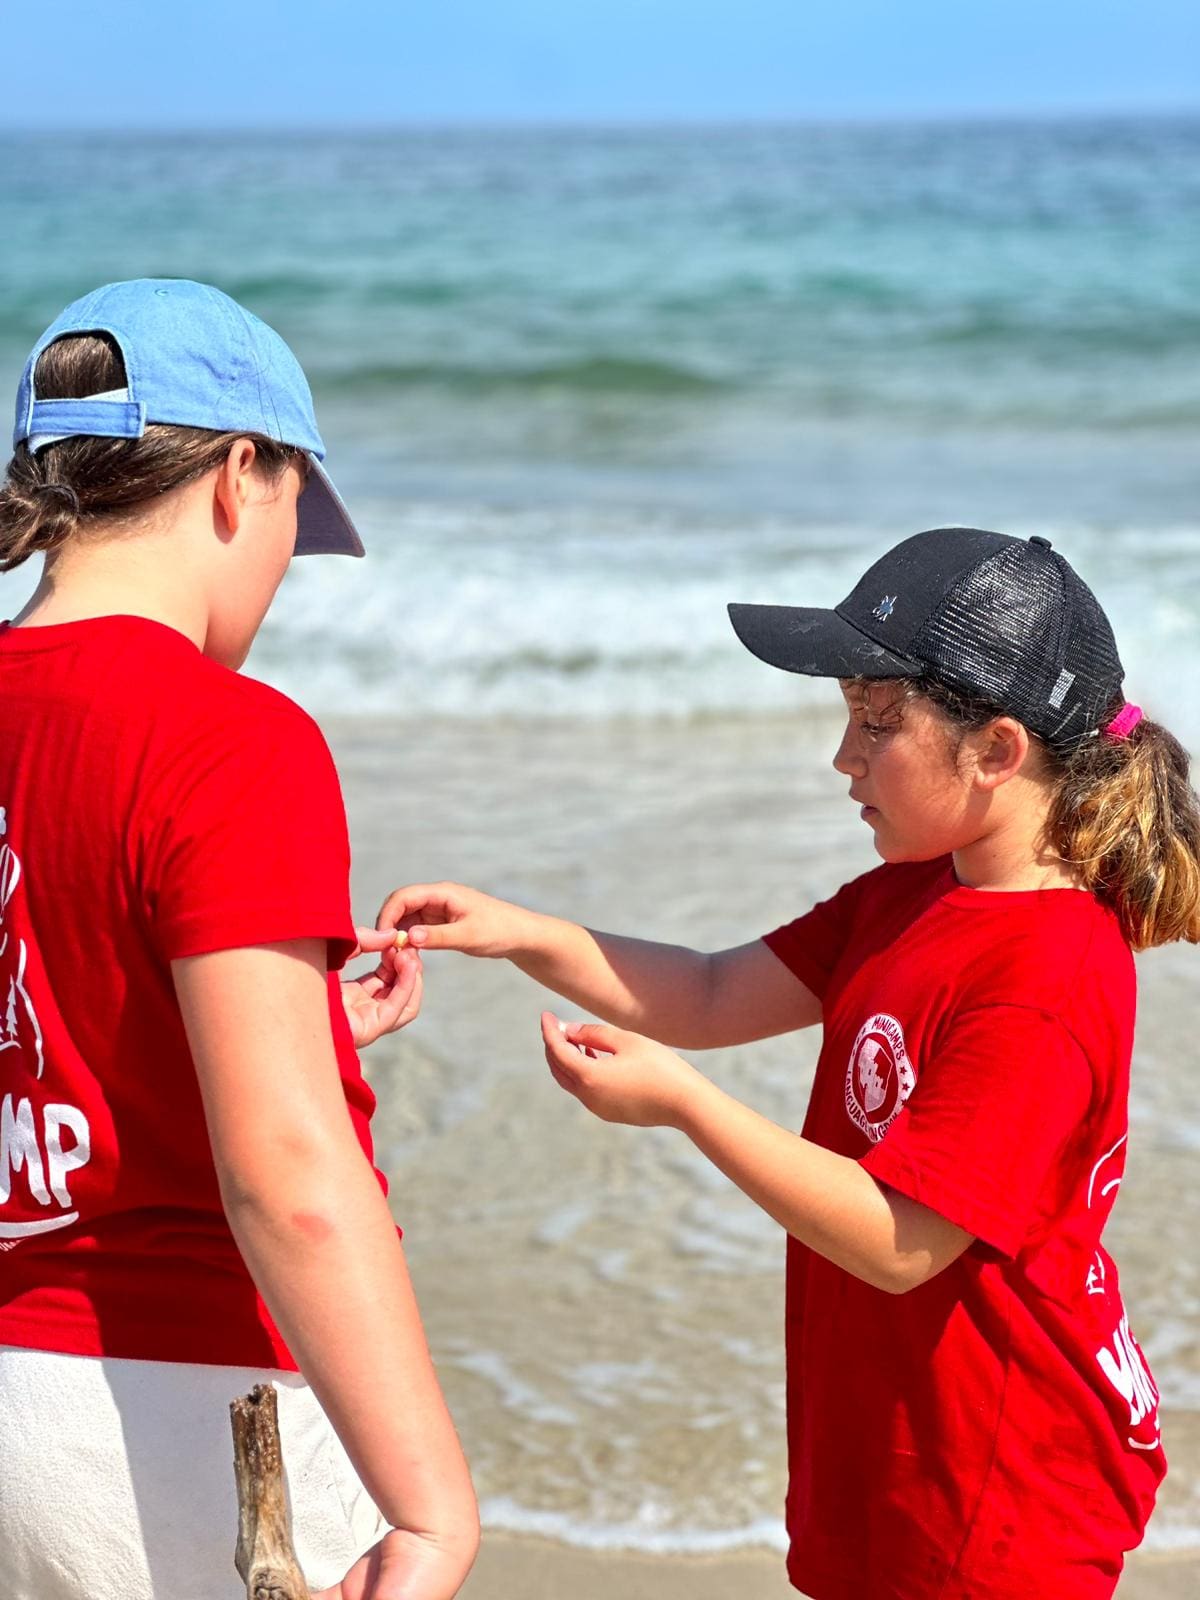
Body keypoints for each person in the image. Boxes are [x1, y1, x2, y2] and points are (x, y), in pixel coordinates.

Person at [378, 526, 1200, 1600]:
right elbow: (713, 991)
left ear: (998, 749)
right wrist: (525, 933)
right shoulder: (915, 889)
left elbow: (903, 1238)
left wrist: (684, 1106)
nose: (844, 759)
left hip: (997, 1489)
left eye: (875, 725)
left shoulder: (1049, 976)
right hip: (888, 1440)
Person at [0, 280, 478, 1600]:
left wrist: (308, 1022)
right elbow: (283, 1169)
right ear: (241, 477)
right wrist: (430, 1508)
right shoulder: (230, 739)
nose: (280, 568)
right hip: (172, 1410)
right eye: (290, 522)